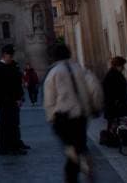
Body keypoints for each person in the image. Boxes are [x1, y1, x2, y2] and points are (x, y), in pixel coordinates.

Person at [44, 43, 103, 182]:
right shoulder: (80, 69)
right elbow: (95, 88)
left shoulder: (53, 73)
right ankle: (83, 157)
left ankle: (78, 162)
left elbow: (49, 99)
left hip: (63, 116)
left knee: (71, 149)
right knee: (78, 142)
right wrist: (95, 106)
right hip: (81, 115)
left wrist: (51, 117)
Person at [0, 44, 27, 155]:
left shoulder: (13, 65)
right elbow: (2, 87)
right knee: (5, 124)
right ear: (4, 55)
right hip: (5, 100)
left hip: (14, 100)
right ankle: (4, 147)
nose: (11, 58)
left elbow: (17, 82)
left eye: (12, 55)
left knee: (15, 123)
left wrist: (20, 97)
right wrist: (13, 99)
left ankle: (16, 144)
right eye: (10, 55)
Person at [103, 56, 127, 134]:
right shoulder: (113, 75)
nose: (123, 68)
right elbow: (115, 90)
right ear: (117, 66)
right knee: (113, 126)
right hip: (114, 105)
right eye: (122, 66)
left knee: (112, 125)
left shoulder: (114, 74)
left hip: (114, 105)